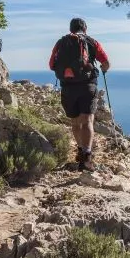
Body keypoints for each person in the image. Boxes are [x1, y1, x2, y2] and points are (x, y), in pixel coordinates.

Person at [48, 18, 110, 170]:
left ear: (71, 29)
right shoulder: (92, 42)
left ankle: (80, 150)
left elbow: (51, 65)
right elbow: (106, 63)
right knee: (87, 120)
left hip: (68, 87)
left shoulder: (61, 42)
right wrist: (103, 69)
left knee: (75, 122)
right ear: (85, 29)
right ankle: (87, 156)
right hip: (87, 85)